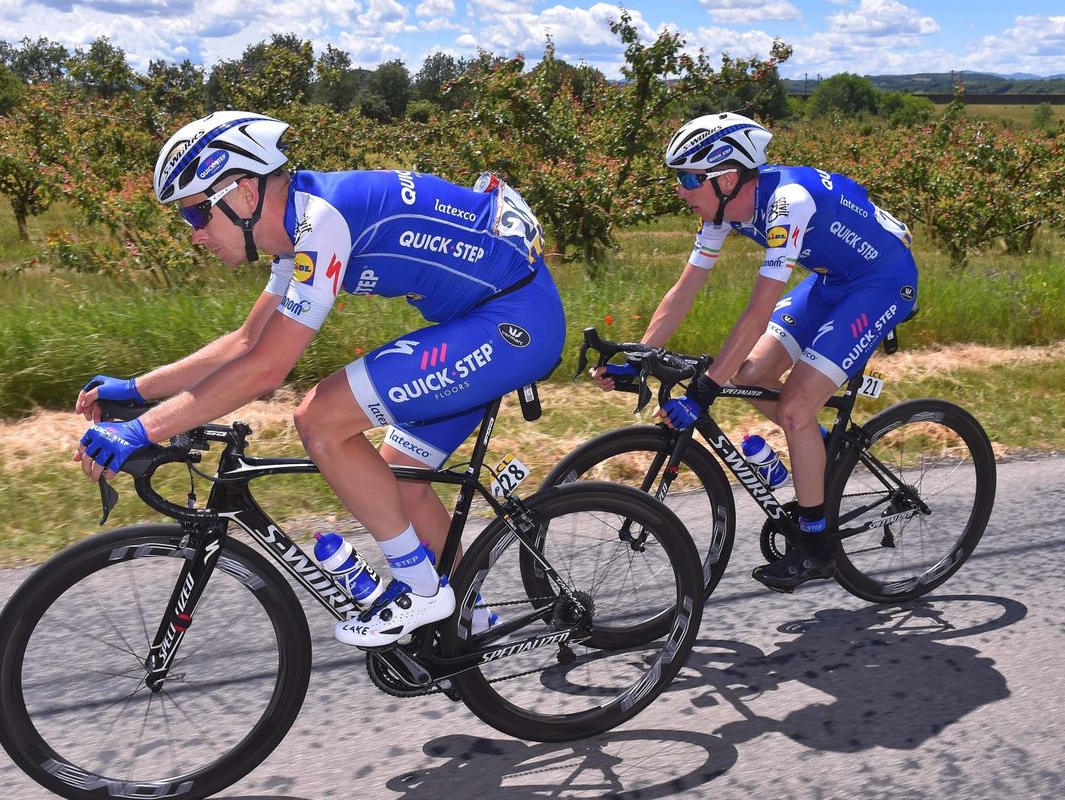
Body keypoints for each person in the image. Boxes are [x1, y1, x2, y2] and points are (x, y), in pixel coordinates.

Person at [73, 111, 566, 644]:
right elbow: (245, 342)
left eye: (194, 214)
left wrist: (144, 430)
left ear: (240, 195)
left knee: (321, 418)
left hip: (513, 322)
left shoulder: (321, 224)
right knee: (399, 481)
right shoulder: (294, 234)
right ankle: (469, 617)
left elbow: (267, 368)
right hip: (484, 317)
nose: (192, 234)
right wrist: (137, 389)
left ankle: (421, 592)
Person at [592, 112, 917, 592]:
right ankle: (821, 450)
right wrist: (637, 357)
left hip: (881, 282)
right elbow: (684, 291)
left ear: (726, 178)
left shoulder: (788, 204)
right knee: (750, 375)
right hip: (832, 281)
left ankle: (816, 546)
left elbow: (759, 306)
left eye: (687, 178)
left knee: (794, 408)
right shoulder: (724, 212)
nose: (679, 191)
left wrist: (704, 388)